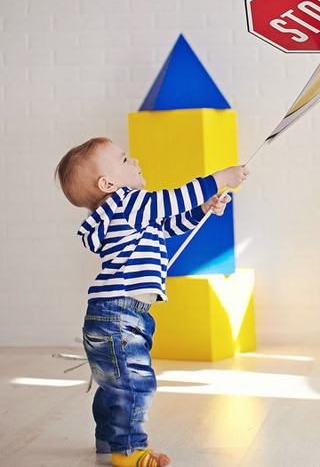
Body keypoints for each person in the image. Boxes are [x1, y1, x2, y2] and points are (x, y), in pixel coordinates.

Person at [55, 137, 249, 466]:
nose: (135, 161)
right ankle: (128, 450)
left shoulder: (123, 215)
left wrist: (203, 209)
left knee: (114, 383)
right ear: (108, 184)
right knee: (134, 383)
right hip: (121, 314)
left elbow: (167, 225)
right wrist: (220, 178)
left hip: (110, 314)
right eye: (124, 159)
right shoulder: (128, 202)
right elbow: (173, 200)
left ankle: (109, 440)